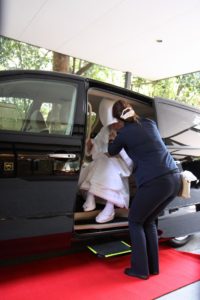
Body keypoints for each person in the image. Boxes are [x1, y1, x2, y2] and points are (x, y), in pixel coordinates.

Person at [108, 100, 181, 280]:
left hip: (154, 181)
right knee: (148, 221)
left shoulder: (123, 133)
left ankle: (140, 270)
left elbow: (111, 151)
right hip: (174, 178)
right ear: (132, 110)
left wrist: (113, 136)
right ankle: (152, 267)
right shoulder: (150, 123)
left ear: (118, 118)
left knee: (135, 221)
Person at [78, 99, 133, 223]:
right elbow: (96, 153)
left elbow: (130, 160)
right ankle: (91, 196)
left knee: (106, 162)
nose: (114, 125)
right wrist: (90, 146)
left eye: (117, 121)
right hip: (105, 160)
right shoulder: (106, 129)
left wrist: (116, 143)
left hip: (124, 164)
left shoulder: (130, 131)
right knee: (98, 162)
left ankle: (109, 207)